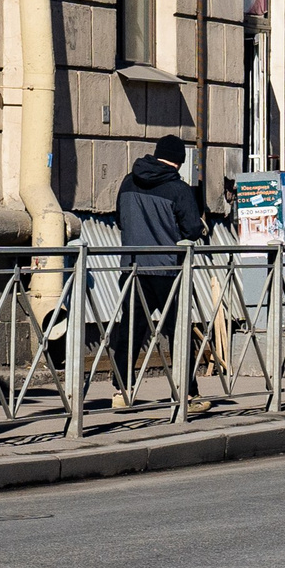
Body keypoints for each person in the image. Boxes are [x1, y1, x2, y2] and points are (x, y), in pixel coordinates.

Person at [110, 134, 209, 411]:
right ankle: (186, 395)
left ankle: (121, 391)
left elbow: (119, 219)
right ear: (179, 161)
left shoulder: (129, 181)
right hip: (167, 270)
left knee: (130, 330)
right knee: (179, 331)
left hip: (132, 267)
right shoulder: (178, 189)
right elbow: (191, 229)